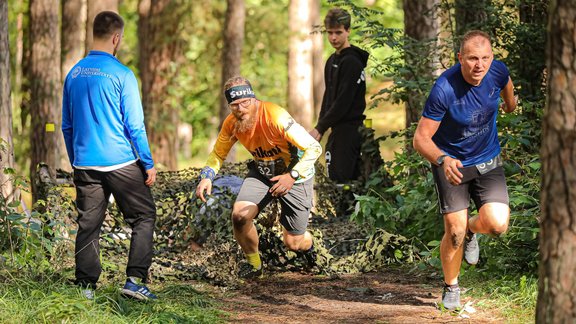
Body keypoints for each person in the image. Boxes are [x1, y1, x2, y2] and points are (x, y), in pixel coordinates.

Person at [413, 30, 517, 310]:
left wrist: (510, 104)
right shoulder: (444, 88)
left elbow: (506, 85)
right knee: (454, 232)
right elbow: (420, 139)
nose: (479, 65)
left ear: (492, 58)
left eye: (484, 58)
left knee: (497, 225)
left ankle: (473, 231)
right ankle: (452, 286)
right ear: (459, 58)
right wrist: (443, 159)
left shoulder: (497, 71)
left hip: (487, 160)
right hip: (452, 165)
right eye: (472, 58)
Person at [62, 11, 158, 301]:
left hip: (84, 163)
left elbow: (67, 126)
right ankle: (134, 281)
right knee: (144, 216)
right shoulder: (122, 74)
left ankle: (86, 287)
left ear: (94, 34)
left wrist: (75, 159)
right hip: (120, 161)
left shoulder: (74, 73)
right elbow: (135, 125)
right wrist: (148, 163)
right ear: (117, 37)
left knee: (88, 223)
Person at [196, 76, 322, 279]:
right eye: (234, 105)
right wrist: (206, 176)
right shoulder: (232, 123)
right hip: (262, 172)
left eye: (245, 103)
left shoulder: (275, 115)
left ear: (253, 99)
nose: (241, 109)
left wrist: (292, 176)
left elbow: (314, 148)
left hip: (296, 174)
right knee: (240, 216)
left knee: (293, 243)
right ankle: (255, 267)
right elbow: (218, 154)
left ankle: (311, 250)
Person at [309, 8, 369, 184]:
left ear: (348, 31)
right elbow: (329, 98)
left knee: (344, 182)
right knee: (335, 177)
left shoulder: (352, 62)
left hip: (350, 130)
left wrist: (320, 128)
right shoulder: (332, 61)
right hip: (336, 130)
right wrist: (320, 128)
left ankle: (347, 212)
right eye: (330, 33)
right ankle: (343, 211)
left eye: (338, 32)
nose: (333, 38)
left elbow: (343, 101)